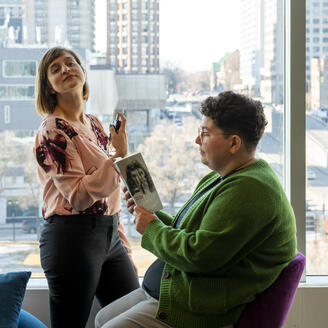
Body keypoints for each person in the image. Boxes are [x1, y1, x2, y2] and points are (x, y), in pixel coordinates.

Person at [95, 91, 297, 328]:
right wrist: (151, 216)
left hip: (195, 310)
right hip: (173, 291)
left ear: (234, 143)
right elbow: (190, 232)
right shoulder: (225, 178)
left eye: (205, 133)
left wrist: (151, 228)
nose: (197, 140)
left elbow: (199, 255)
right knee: (100, 319)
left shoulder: (251, 189)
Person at [34, 46, 139, 328]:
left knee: (134, 314)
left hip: (108, 235)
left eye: (71, 63)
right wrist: (118, 155)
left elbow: (111, 191)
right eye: (55, 68)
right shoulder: (52, 129)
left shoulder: (93, 124)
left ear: (83, 71)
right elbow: (79, 197)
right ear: (49, 87)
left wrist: (121, 241)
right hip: (71, 237)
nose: (66, 69)